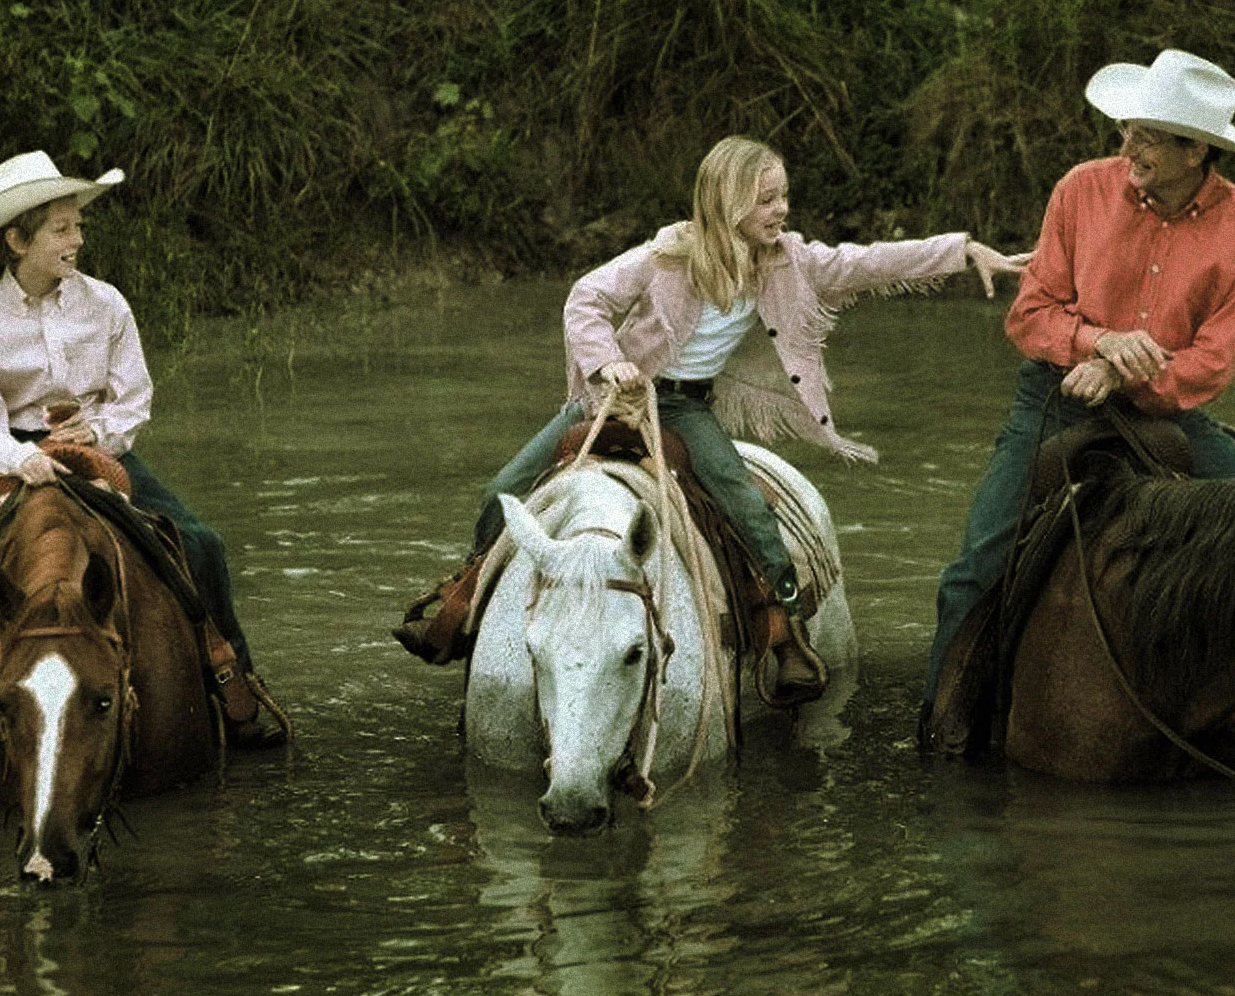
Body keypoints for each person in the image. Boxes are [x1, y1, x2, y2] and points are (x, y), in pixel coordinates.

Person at [396, 134, 1029, 703]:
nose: (781, 212)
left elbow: (865, 262)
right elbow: (586, 298)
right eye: (766, 201)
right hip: (614, 398)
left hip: (686, 407)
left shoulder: (786, 260)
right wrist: (609, 362)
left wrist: (962, 250)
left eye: (783, 198)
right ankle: (466, 603)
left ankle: (786, 635)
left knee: (747, 508)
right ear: (727, 205)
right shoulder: (665, 257)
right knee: (501, 489)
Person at [0, 151, 289, 767]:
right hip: (8, 451)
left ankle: (235, 684)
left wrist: (96, 432)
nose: (77, 239)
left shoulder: (107, 304)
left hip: (98, 448)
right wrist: (19, 460)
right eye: (62, 229)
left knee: (203, 543)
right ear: (18, 239)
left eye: (77, 226)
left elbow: (135, 398)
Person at [925, 49, 1235, 705]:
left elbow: (1213, 361)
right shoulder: (1081, 189)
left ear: (1196, 151)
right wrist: (1100, 343)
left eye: (1146, 134)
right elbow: (1030, 316)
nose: (1128, 144)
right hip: (1055, 394)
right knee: (974, 570)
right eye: (1129, 128)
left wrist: (1117, 374)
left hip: (1166, 408)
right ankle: (940, 725)